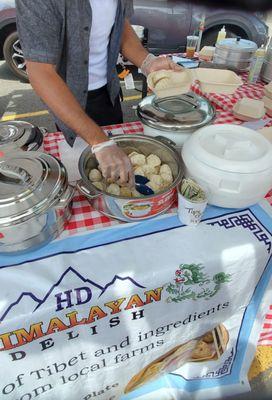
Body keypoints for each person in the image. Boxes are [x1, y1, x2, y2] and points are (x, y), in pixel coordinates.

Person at [15, 0, 181, 187]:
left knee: (119, 170)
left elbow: (120, 25)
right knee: (84, 174)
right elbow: (40, 72)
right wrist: (100, 142)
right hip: (68, 101)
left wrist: (147, 61)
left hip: (109, 93)